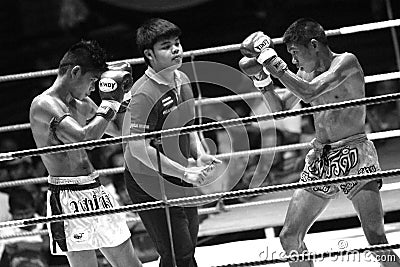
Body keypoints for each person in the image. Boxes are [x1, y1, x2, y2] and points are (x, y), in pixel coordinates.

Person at [239, 18, 400, 266]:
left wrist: (273, 62)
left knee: (376, 238)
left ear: (314, 45)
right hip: (321, 159)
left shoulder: (346, 63)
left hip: (355, 155)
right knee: (289, 238)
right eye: (288, 55)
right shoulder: (305, 73)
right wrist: (262, 80)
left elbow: (310, 92)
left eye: (294, 53)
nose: (293, 61)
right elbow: (280, 110)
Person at [29, 40, 142, 267]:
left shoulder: (82, 102)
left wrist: (124, 98)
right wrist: (109, 104)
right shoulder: (44, 104)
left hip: (96, 189)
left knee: (131, 264)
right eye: (92, 80)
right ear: (75, 72)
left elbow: (119, 129)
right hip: (67, 196)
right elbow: (84, 138)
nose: (93, 88)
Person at [124, 18, 220, 267]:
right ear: (149, 54)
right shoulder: (143, 93)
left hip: (179, 174)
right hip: (148, 179)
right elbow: (137, 148)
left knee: (186, 249)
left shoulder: (182, 80)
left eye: (177, 43)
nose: (176, 49)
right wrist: (184, 171)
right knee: (176, 254)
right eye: (166, 46)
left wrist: (199, 154)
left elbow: (189, 126)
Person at [0, 187, 49, 267]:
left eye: (27, 213)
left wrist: (19, 245)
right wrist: (39, 246)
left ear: (34, 209)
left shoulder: (45, 224)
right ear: (11, 213)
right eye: (19, 215)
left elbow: (49, 247)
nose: (24, 218)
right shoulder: (5, 230)